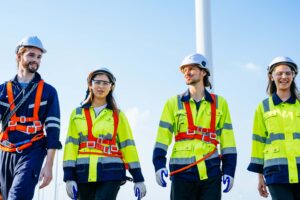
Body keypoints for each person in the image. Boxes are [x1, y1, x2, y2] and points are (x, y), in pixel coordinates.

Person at [152, 53, 237, 199]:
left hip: (211, 171)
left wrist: (229, 170)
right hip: (181, 173)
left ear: (204, 72)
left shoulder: (220, 103)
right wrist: (159, 164)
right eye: (184, 70)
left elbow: (228, 141)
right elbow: (162, 138)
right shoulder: (173, 103)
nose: (187, 72)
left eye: (191, 68)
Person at [63, 68, 146, 200]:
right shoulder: (77, 114)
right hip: (83, 173)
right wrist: (68, 177)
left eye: (105, 83)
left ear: (111, 87)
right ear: (90, 84)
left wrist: (138, 178)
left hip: (111, 173)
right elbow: (70, 147)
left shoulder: (118, 115)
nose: (101, 86)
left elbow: (128, 147)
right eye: (97, 82)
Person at [0, 36, 62, 200]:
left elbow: (53, 131)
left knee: (17, 197)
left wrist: (48, 165)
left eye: (39, 57)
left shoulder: (49, 92)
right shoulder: (2, 90)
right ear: (19, 56)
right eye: (31, 55)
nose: (36, 60)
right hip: (5, 151)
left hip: (33, 151)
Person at [247, 56, 300, 199]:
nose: (284, 77)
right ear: (271, 77)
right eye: (279, 73)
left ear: (294, 75)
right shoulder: (263, 107)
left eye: (288, 73)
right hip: (276, 173)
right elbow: (258, 143)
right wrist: (259, 178)